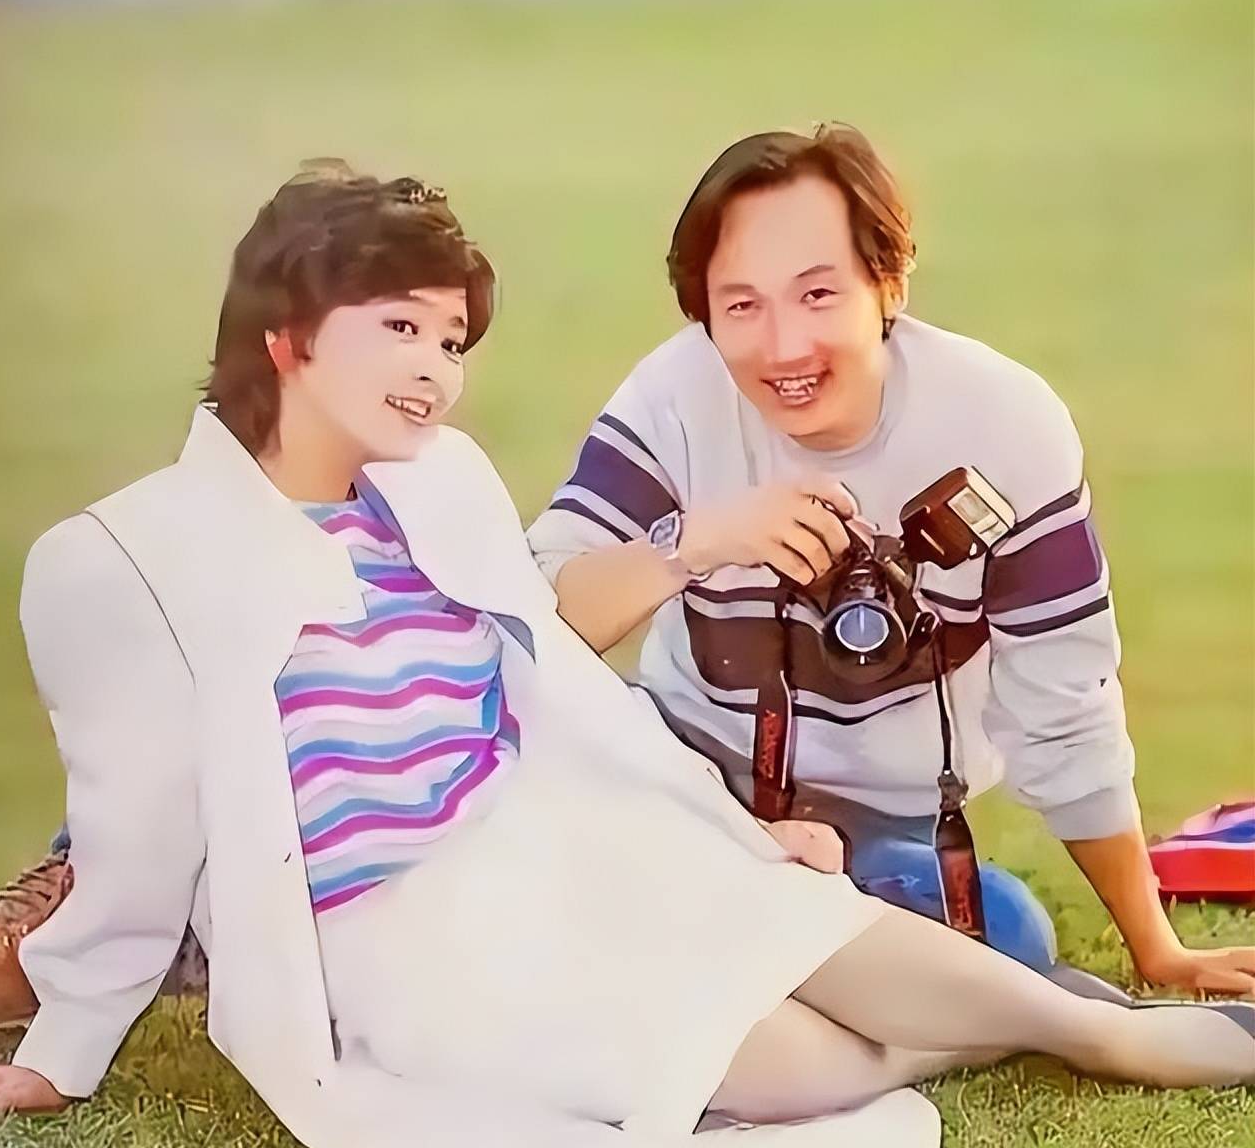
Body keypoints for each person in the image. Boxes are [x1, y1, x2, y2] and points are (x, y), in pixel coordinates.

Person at [0, 164, 1251, 1148]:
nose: (433, 374)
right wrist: (66, 1048)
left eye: (450, 341)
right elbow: (135, 835)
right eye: (400, 328)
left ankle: (1105, 1035)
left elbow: (559, 696)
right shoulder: (121, 559)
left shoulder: (436, 487)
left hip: (557, 845)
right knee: (794, 1068)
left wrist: (727, 836)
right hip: (399, 938)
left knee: (824, 931)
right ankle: (1003, 1029)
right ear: (285, 336)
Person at [525, 123, 1255, 994]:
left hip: (877, 829)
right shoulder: (675, 398)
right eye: (742, 306)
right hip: (683, 775)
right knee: (523, 804)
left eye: (817, 295)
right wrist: (695, 543)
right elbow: (529, 621)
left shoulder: (1002, 427)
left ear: (890, 284)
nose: (783, 347)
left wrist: (1156, 949)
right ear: (704, 313)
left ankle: (712, 915)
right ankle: (737, 900)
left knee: (1004, 930)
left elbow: (1066, 712)